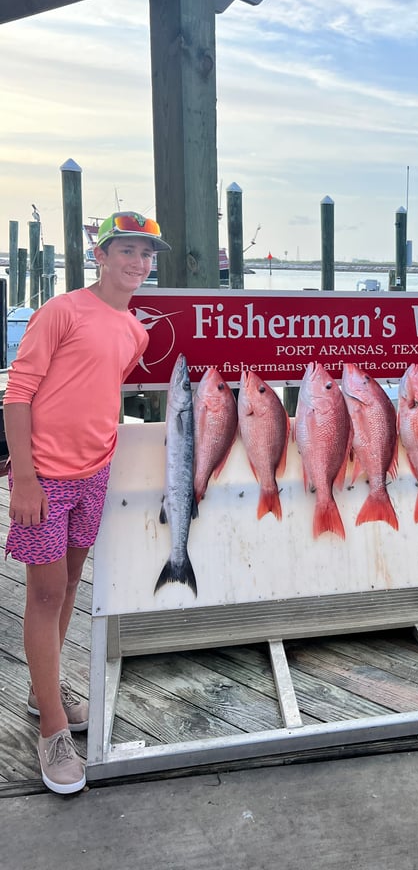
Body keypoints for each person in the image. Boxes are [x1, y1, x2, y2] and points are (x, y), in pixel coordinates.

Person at [4, 211, 170, 793]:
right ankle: (52, 731)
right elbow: (19, 393)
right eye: (126, 250)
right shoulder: (62, 311)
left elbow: (102, 386)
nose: (138, 263)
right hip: (45, 479)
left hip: (95, 473)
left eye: (147, 255)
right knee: (46, 594)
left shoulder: (136, 330)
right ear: (99, 255)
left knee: (70, 586)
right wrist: (24, 478)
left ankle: (38, 690)